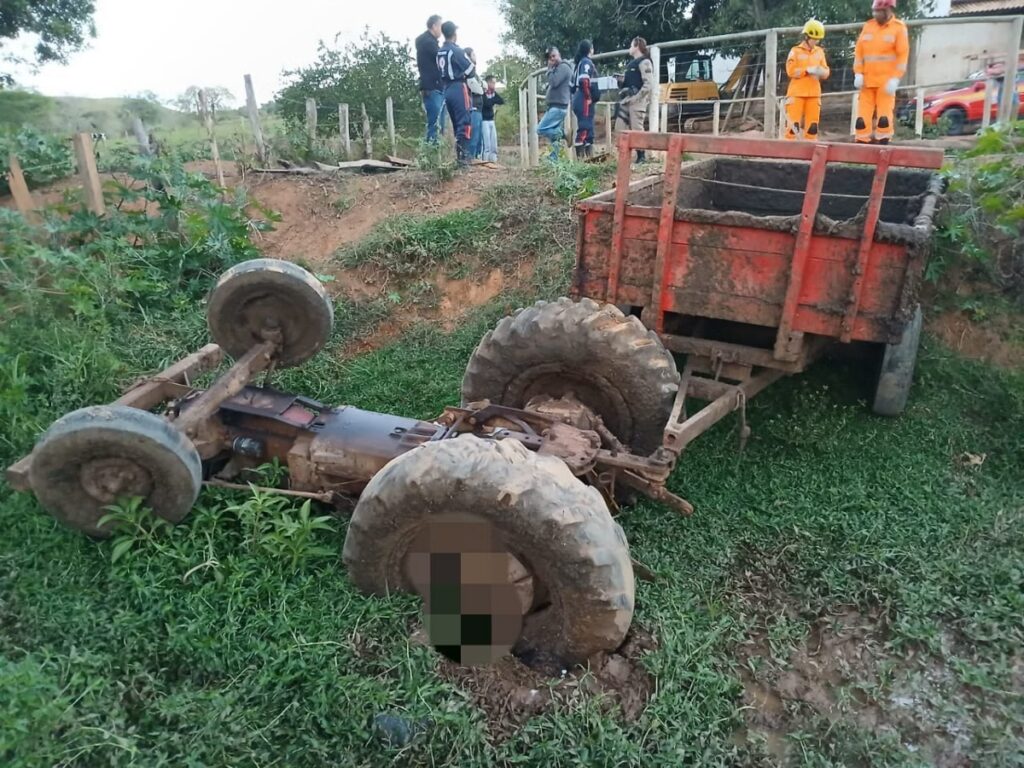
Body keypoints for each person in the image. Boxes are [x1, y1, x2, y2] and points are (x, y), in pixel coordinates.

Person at [853, 0, 909, 144]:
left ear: (888, 10)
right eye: (875, 11)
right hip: (867, 80)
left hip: (886, 82)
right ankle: (861, 141)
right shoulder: (868, 26)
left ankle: (883, 144)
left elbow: (902, 55)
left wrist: (896, 78)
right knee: (862, 117)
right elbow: (859, 52)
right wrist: (858, 73)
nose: (875, 14)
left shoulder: (898, 28)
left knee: (884, 117)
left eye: (878, 11)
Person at [437, 21, 476, 165]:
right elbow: (471, 70)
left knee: (455, 123)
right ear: (454, 33)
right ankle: (463, 158)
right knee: (464, 121)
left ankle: (459, 157)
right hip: (458, 87)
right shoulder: (456, 50)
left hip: (446, 89)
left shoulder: (440, 52)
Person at [784, 20, 830, 141]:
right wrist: (807, 70)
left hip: (814, 94)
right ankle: (789, 152)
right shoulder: (795, 51)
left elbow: (826, 71)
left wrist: (821, 72)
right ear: (806, 37)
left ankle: (810, 152)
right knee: (793, 127)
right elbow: (791, 71)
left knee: (812, 127)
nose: (816, 41)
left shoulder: (819, 52)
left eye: (818, 39)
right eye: (814, 39)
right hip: (797, 93)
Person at [614, 37, 655, 164]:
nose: (629, 48)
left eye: (631, 45)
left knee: (637, 128)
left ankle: (641, 156)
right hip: (627, 99)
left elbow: (648, 84)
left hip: (637, 100)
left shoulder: (645, 62)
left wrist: (637, 97)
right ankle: (623, 155)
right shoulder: (632, 64)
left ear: (637, 46)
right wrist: (621, 81)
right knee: (620, 127)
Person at [536, 46, 573, 161]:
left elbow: (554, 82)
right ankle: (554, 159)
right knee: (554, 139)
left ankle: (564, 133)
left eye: (554, 56)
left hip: (558, 106)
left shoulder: (563, 67)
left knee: (540, 129)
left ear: (559, 54)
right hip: (556, 105)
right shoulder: (558, 68)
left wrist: (549, 69)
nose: (552, 59)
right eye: (550, 57)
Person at [416, 15, 445, 143]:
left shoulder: (428, 42)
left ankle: (433, 154)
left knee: (436, 124)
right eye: (440, 26)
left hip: (434, 87)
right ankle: (431, 154)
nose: (441, 30)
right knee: (435, 124)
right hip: (432, 87)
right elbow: (441, 57)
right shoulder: (428, 43)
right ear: (434, 26)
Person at [571, 39, 601, 158]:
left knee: (589, 129)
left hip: (582, 97)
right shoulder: (586, 62)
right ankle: (581, 160)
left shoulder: (579, 64)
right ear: (590, 49)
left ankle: (589, 158)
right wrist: (588, 96)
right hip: (584, 98)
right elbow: (583, 80)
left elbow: (572, 86)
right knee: (584, 127)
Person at [465, 48, 485, 160]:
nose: (475, 56)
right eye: (473, 54)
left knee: (479, 140)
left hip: (478, 109)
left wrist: (481, 86)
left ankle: (476, 159)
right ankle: (470, 160)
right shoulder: (469, 74)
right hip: (472, 109)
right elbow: (480, 89)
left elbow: (483, 86)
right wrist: (481, 86)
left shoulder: (475, 74)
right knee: (473, 138)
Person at [481, 76, 505, 162]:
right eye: (493, 83)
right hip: (484, 120)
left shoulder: (493, 93)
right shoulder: (482, 93)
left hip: (491, 120)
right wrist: (493, 101)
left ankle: (494, 161)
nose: (494, 85)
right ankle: (485, 161)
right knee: (486, 143)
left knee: (493, 143)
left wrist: (493, 99)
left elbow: (501, 101)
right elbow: (486, 104)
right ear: (488, 83)